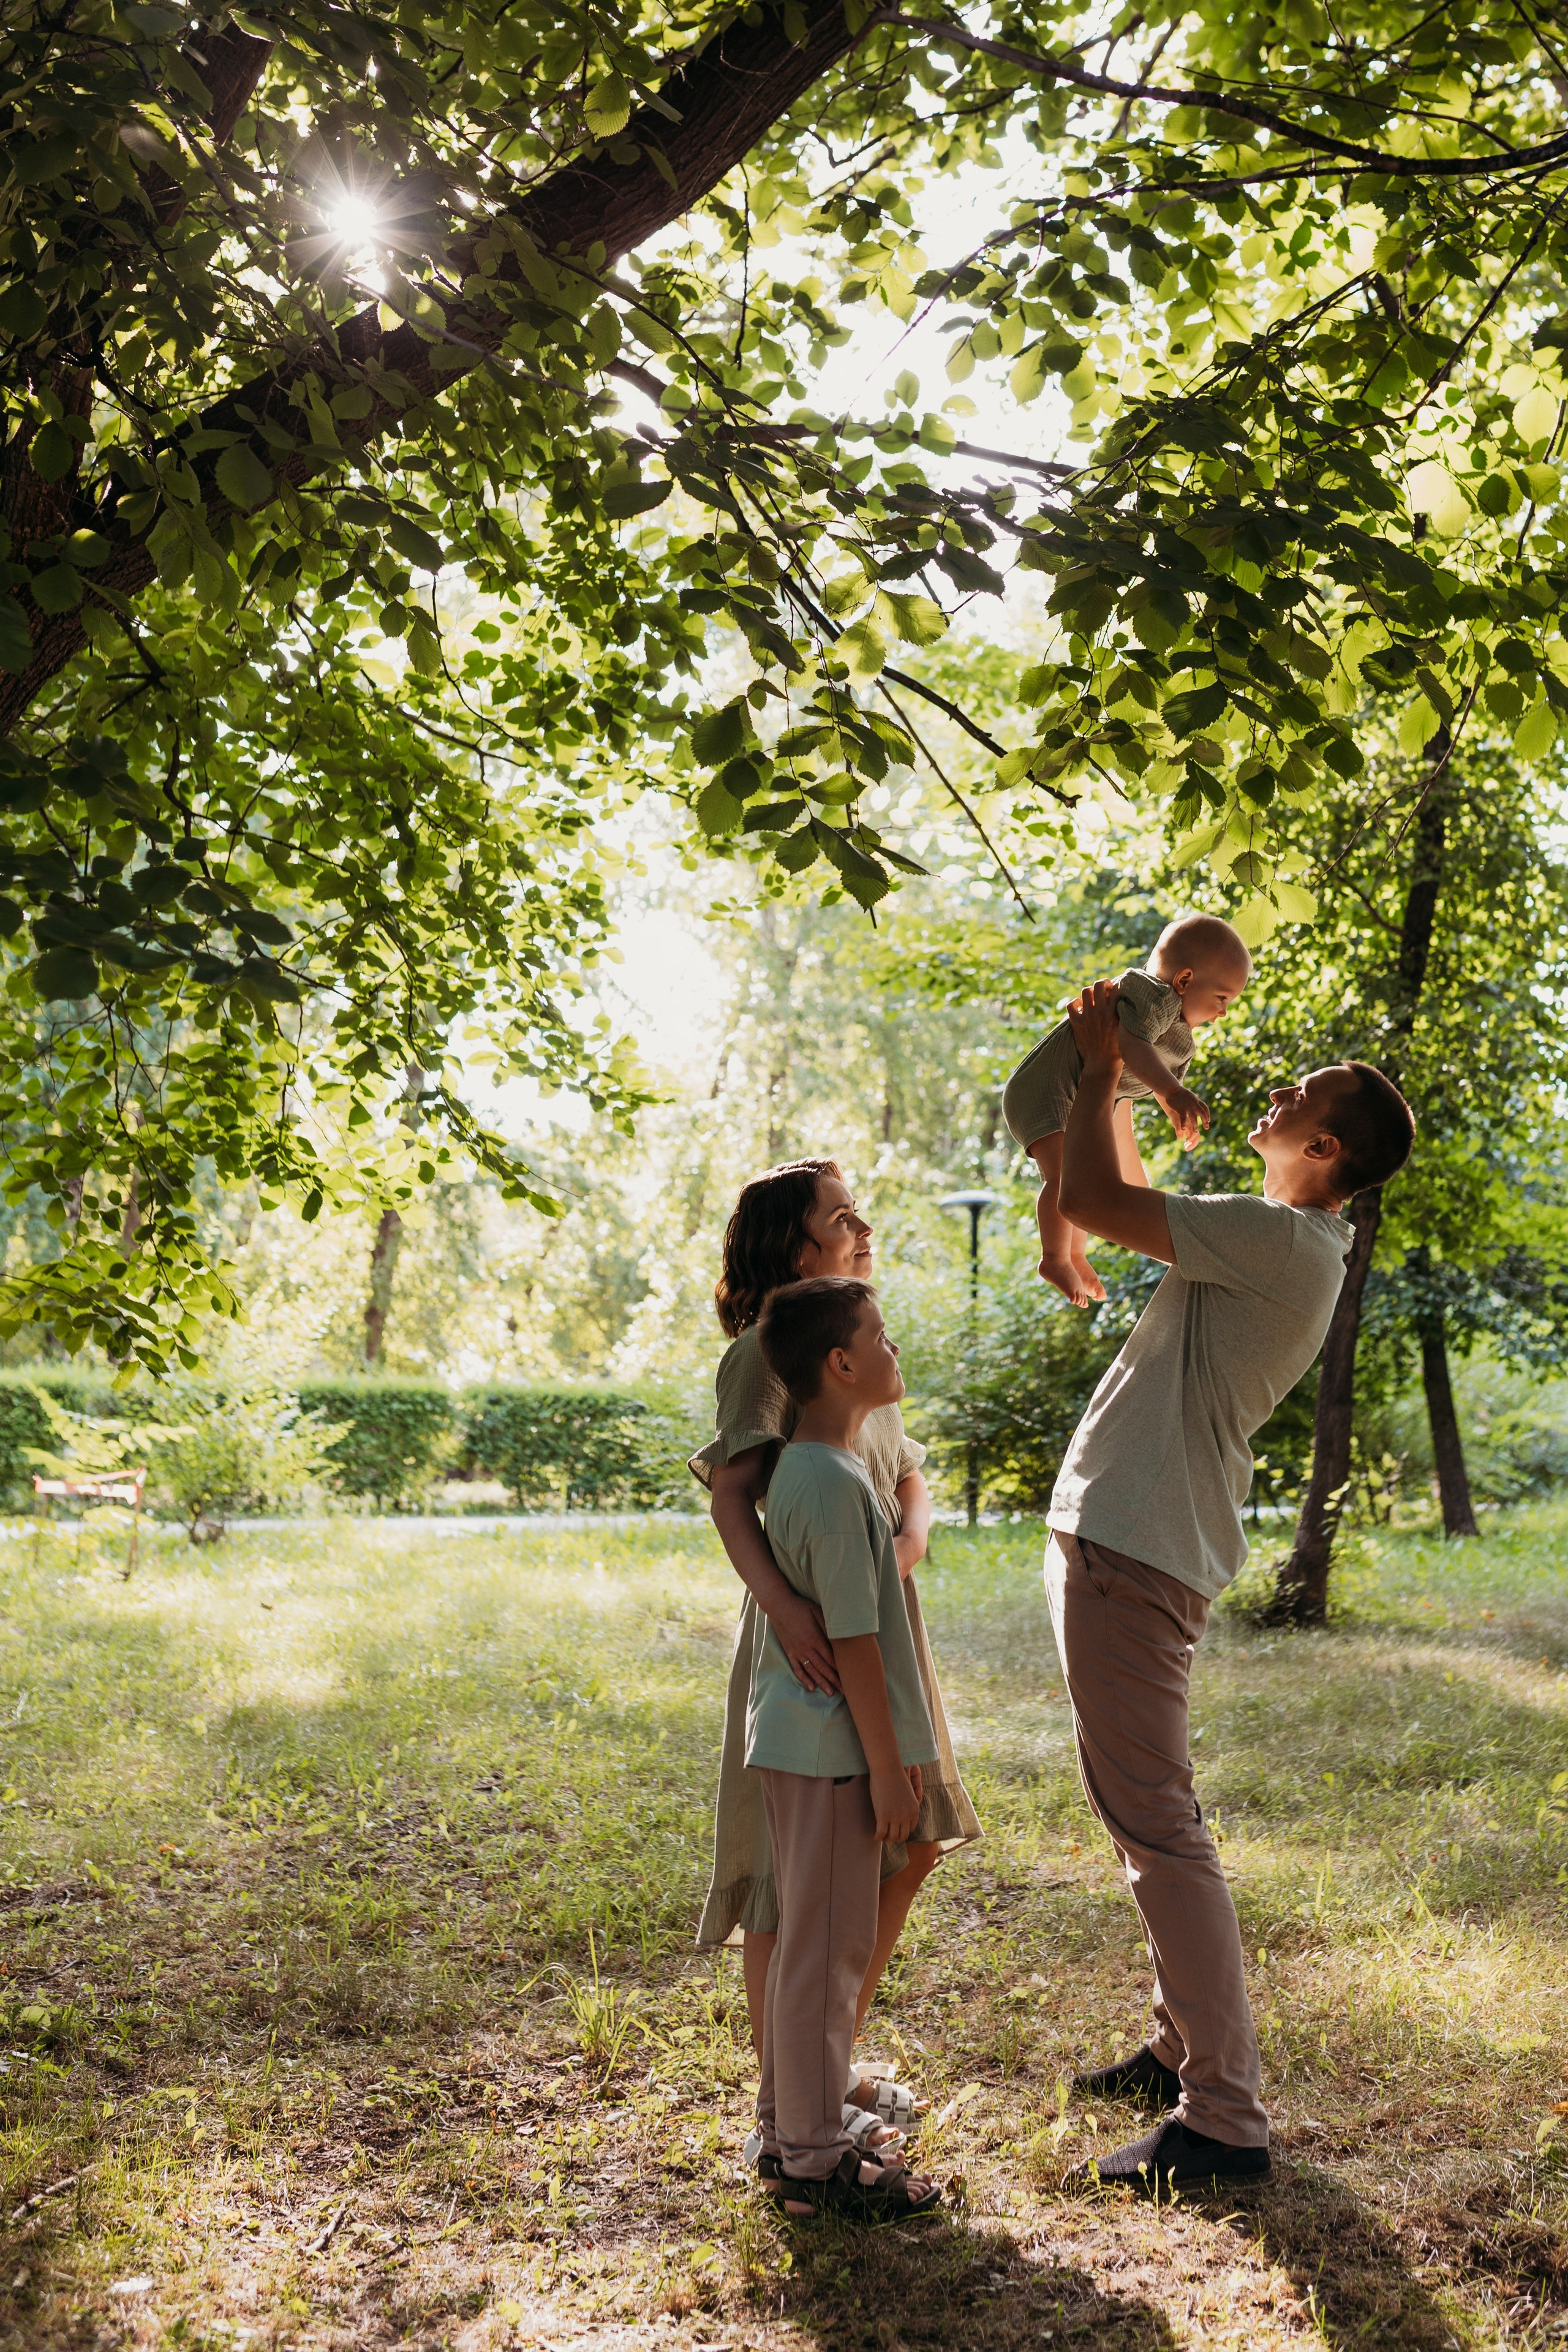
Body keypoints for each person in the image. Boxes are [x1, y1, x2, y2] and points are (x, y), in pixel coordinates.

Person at [1044, 979, 1415, 2196]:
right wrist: (1121, 1078)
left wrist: (1105, 1063)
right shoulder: (1279, 1236)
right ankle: (1177, 2051)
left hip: (1134, 1547)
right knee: (1146, 1817)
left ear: (1322, 1150)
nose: (1275, 1087)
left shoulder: (1276, 1241)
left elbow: (1093, 1203)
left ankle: (1223, 2121)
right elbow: (1122, 1191)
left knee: (1157, 1829)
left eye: (1297, 1094)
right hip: (1139, 1541)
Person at [688, 1159, 979, 2157]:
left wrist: (910, 1539)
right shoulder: (774, 1353)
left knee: (907, 1842)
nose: (864, 1227)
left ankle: (827, 2060)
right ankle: (795, 2097)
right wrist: (789, 1613)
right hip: (816, 1643)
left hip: (884, 1629)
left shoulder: (855, 1335)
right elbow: (733, 1498)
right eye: (840, 1216)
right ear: (791, 1242)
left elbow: (908, 1475)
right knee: (792, 1878)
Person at [747, 1276, 942, 2220]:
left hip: (811, 1749)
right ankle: (815, 2161)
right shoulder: (828, 1484)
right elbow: (858, 1643)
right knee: (827, 1960)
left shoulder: (817, 1469)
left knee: (811, 1954)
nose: (895, 1350)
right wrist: (889, 1766)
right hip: (834, 1756)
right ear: (841, 1363)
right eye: (883, 1336)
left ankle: (793, 2127)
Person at [1003, 913, 1252, 1308]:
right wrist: (1173, 1093)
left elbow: (1145, 1069)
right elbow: (1132, 1047)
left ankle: (1075, 1254)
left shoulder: (1179, 1034)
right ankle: (1054, 1258)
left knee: (1081, 1177)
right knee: (1064, 1175)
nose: (1224, 1012)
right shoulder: (1153, 995)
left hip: (1081, 1094)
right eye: (1222, 998)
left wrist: (1171, 1104)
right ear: (1184, 981)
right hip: (1045, 1089)